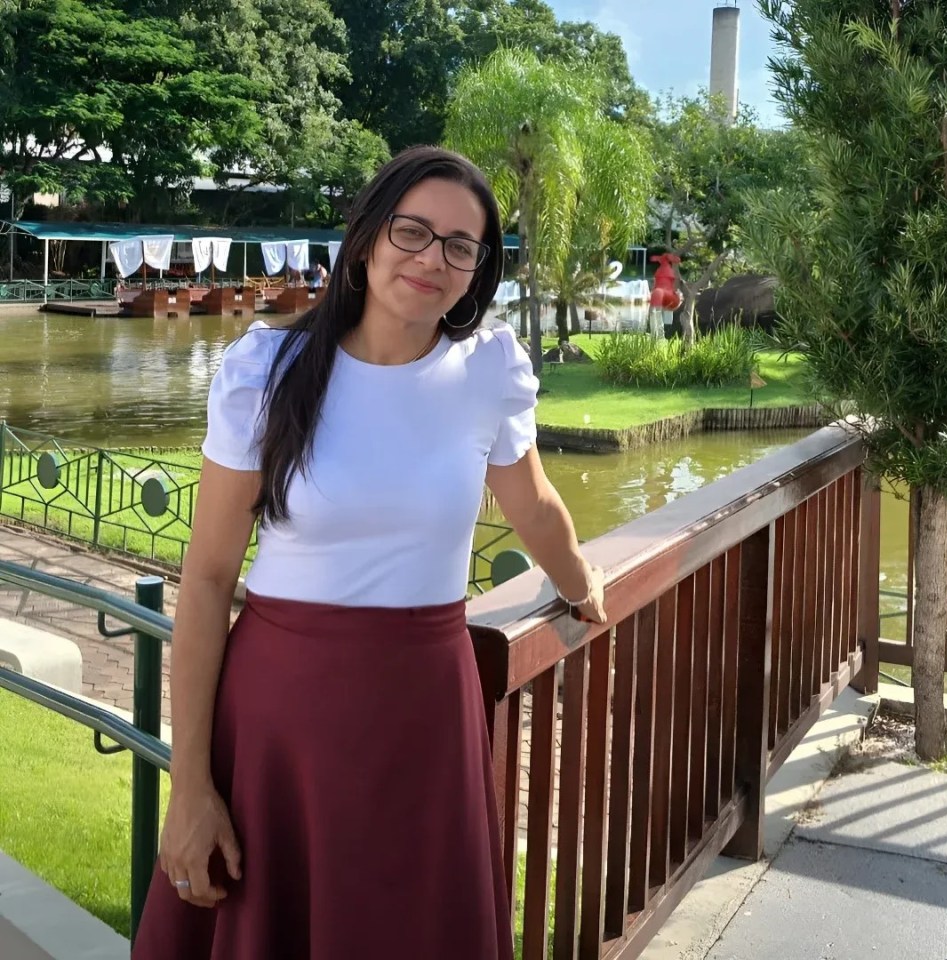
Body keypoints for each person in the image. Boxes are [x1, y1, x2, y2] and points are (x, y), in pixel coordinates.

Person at [131, 145, 606, 960]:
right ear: (367, 237)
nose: (434, 259)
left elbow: (535, 506)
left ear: (480, 268)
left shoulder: (488, 370)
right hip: (281, 713)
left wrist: (585, 586)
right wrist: (192, 783)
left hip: (424, 710)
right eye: (413, 231)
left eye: (463, 246)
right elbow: (207, 581)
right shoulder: (267, 370)